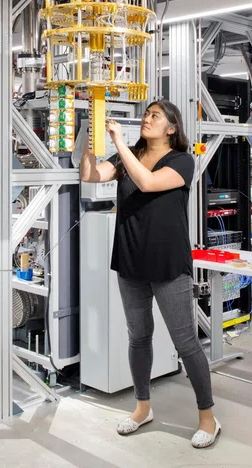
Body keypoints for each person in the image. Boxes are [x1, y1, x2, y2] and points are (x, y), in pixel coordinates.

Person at [80, 99, 220, 449]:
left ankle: (208, 418)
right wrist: (87, 142)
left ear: (172, 129)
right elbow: (90, 176)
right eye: (146, 114)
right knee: (138, 336)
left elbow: (147, 183)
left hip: (167, 262)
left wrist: (119, 144)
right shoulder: (128, 157)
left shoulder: (181, 161)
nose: (147, 119)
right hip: (130, 260)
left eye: (154, 116)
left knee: (185, 342)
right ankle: (142, 408)